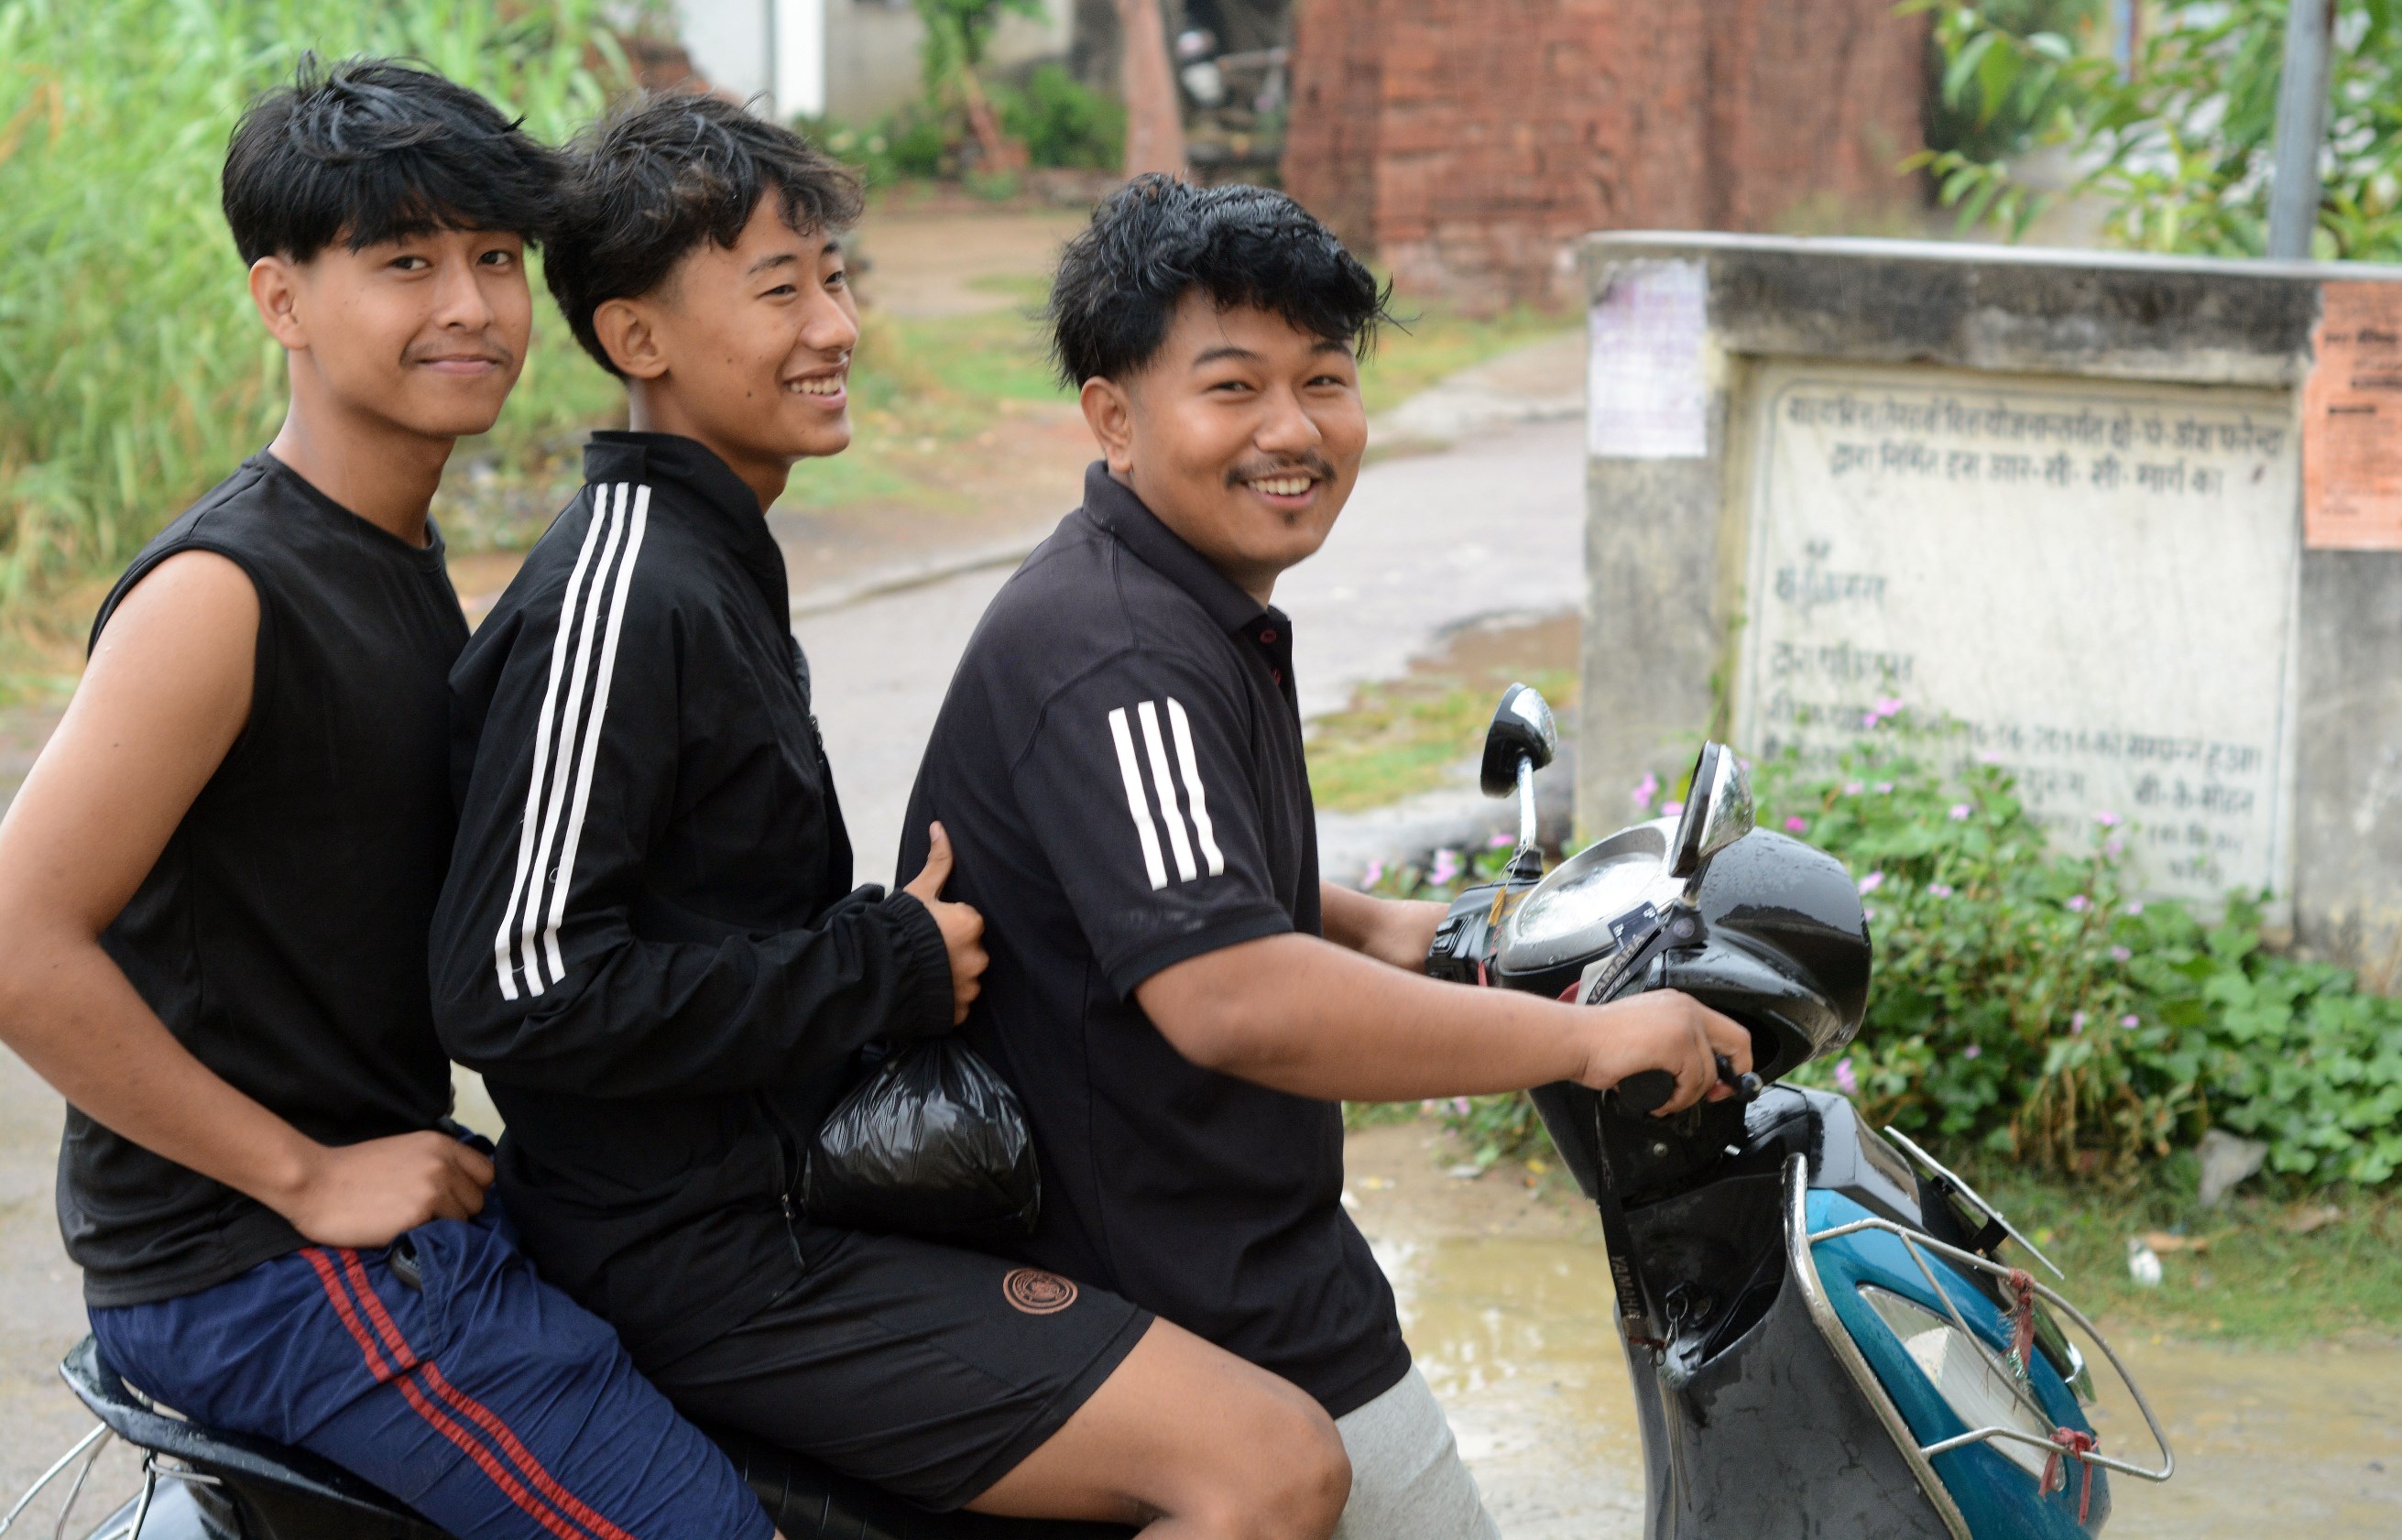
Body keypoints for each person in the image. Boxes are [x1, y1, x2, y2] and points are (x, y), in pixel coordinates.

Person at [429, 93, 1348, 1538]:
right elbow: (518, 983)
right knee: (1264, 1464)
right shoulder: (625, 590)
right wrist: (877, 965)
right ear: (636, 339)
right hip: (701, 1249)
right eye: (779, 289)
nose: (834, 326)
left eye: (837, 277)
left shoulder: (714, 554)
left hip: (797, 1187)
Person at [896, 176, 1757, 1539]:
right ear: (1113, 417)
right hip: (1174, 1275)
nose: (1291, 431)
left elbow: (1164, 878)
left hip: (1224, 1236)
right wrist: (1583, 1043)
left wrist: (1381, 926)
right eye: (1231, 387)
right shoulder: (1116, 648)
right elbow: (1229, 991)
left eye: (1325, 379)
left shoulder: (1180, 601)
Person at [0, 60, 772, 1540]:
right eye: (405, 262)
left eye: (493, 258)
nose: (470, 306)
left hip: (383, 1206)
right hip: (254, 1264)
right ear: (281, 299)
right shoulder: (222, 594)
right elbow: (22, 940)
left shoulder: (402, 556)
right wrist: (307, 1172)